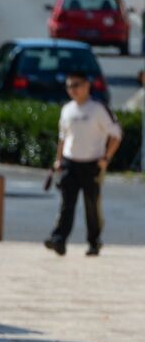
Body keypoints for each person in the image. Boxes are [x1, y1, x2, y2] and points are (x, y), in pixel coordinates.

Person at [45, 70, 121, 256]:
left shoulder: (98, 109)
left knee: (92, 205)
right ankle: (59, 239)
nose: (72, 90)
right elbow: (63, 137)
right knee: (66, 203)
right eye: (69, 86)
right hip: (70, 162)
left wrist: (106, 158)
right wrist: (58, 160)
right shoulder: (67, 109)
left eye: (76, 85)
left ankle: (94, 242)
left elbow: (116, 134)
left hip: (92, 163)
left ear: (87, 85)